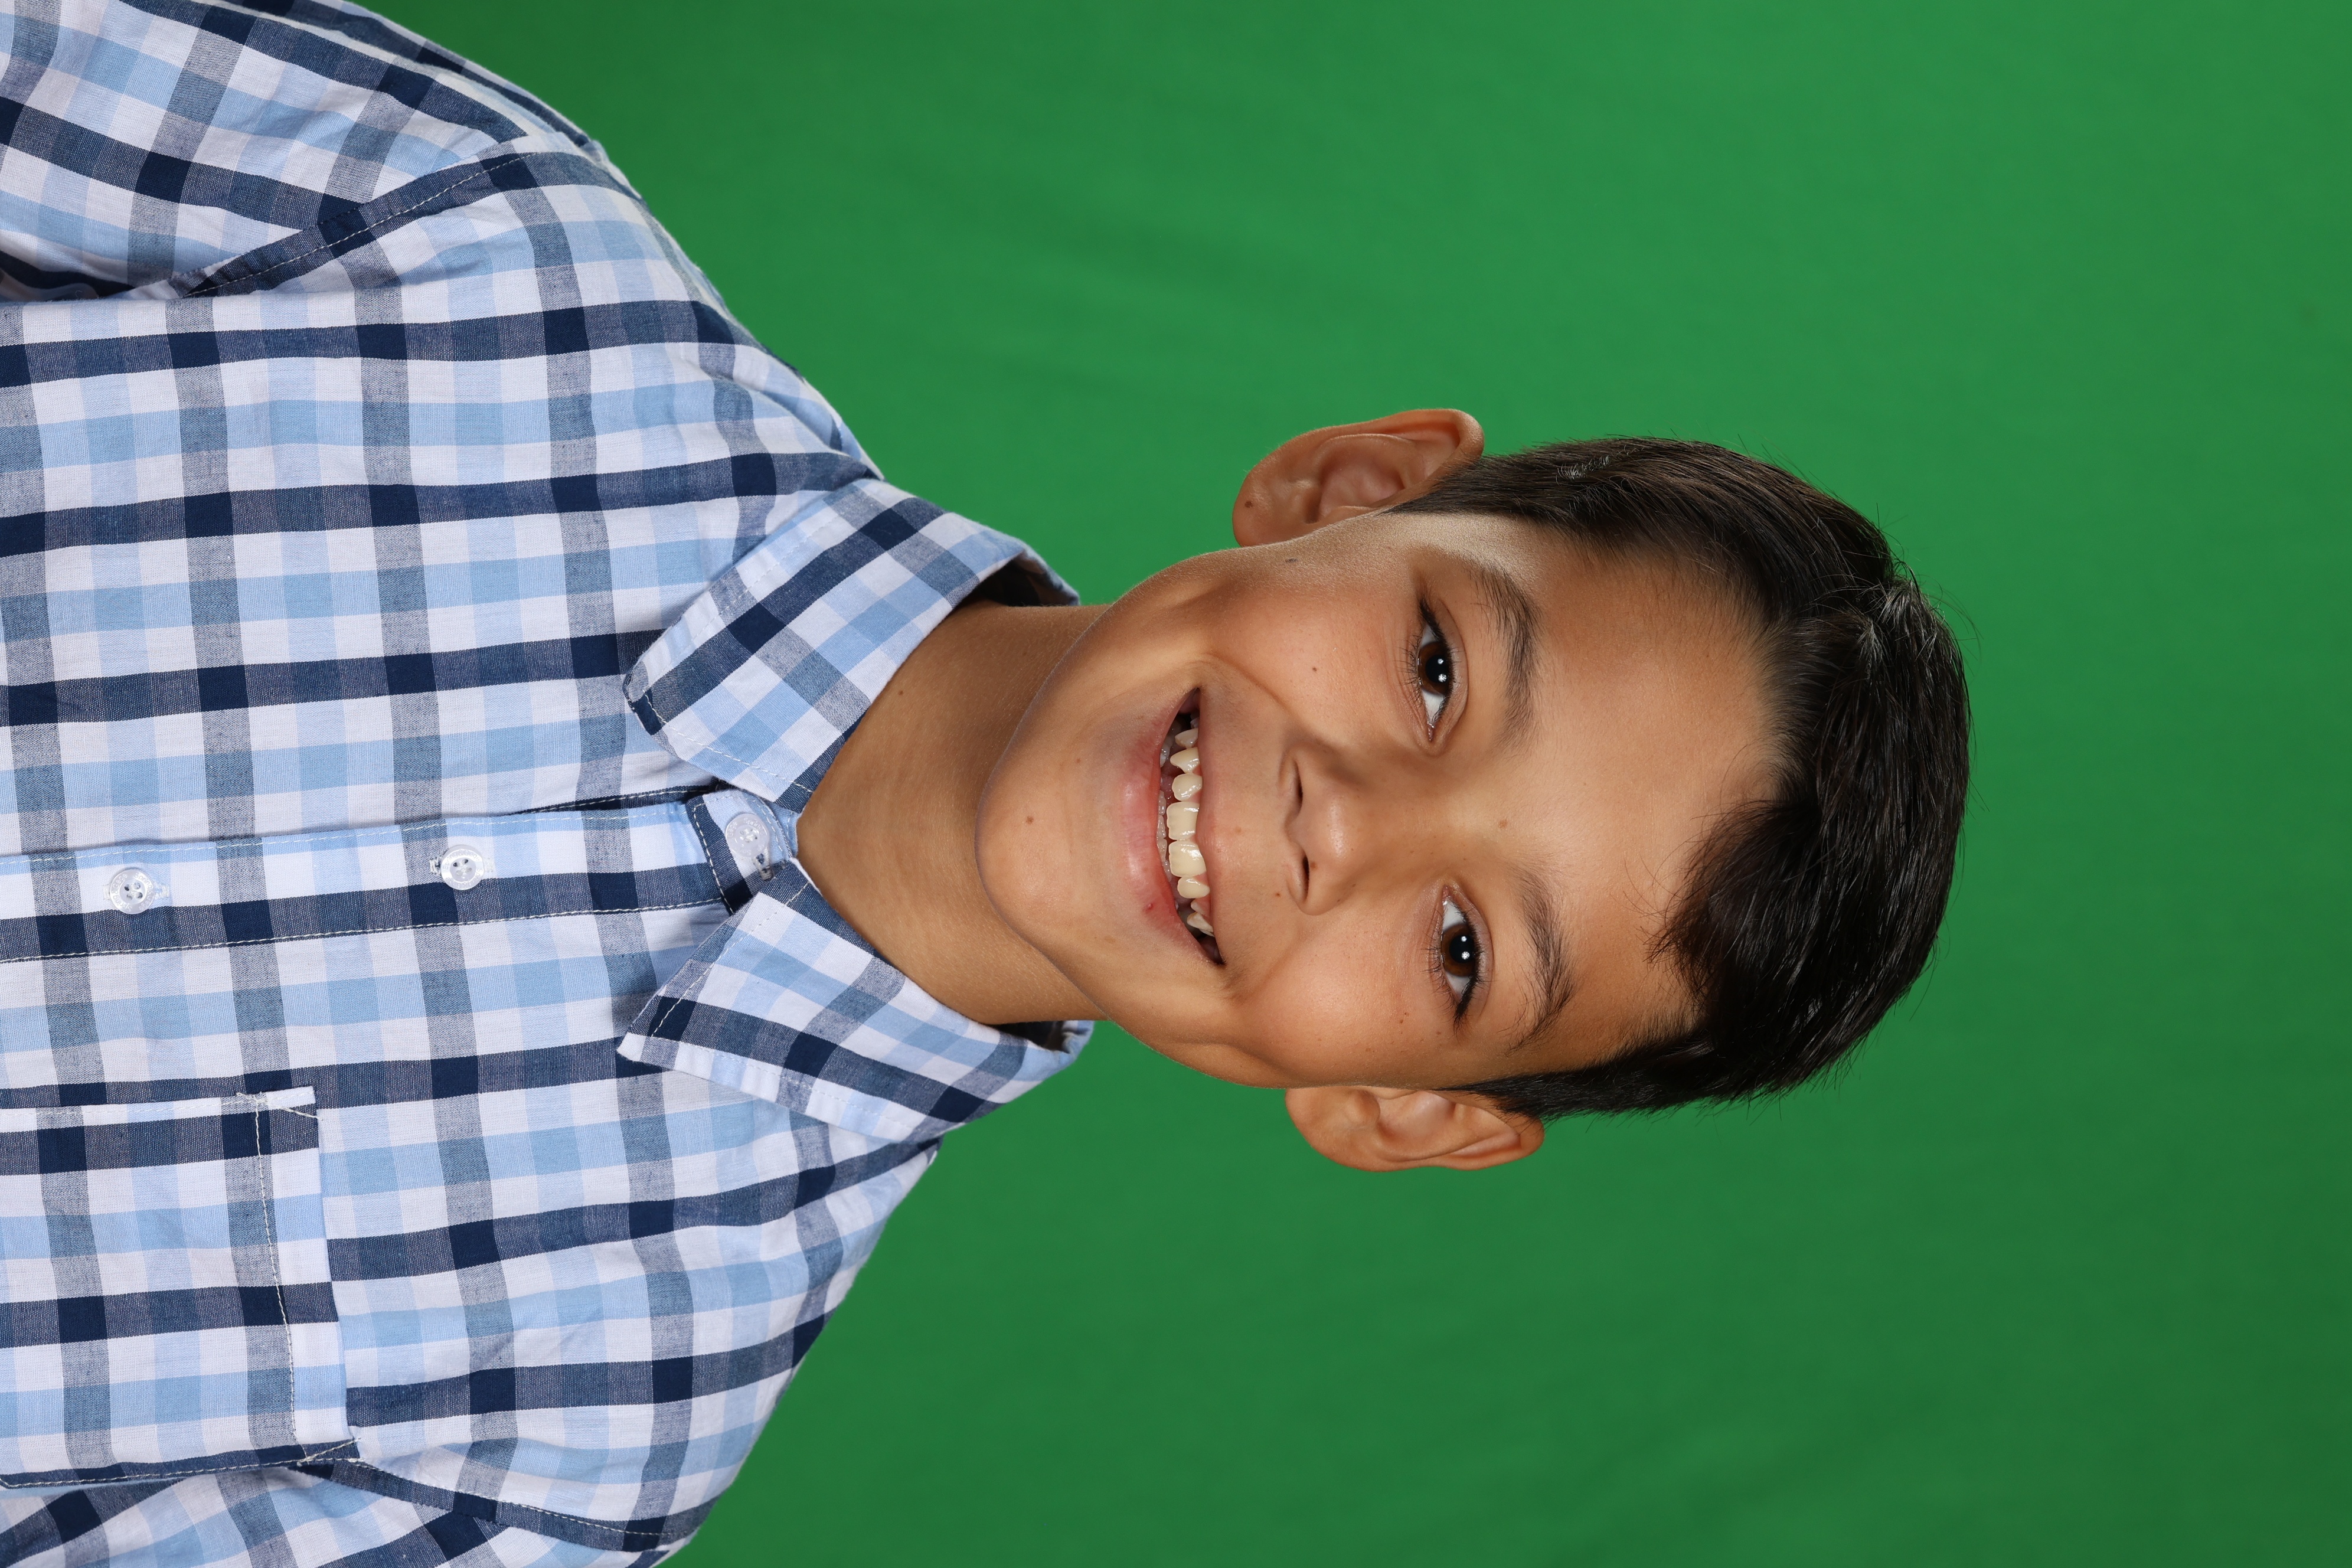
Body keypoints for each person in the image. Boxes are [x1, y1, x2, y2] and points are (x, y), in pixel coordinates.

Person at [0, 1, 1969, 1563]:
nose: (1344, 824)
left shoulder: (571, 1441)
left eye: (1462, 950)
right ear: (1347, 489)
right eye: (1438, 668)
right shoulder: (481, 248)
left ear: (1400, 1106)